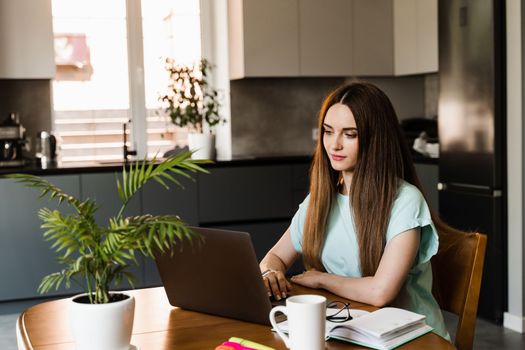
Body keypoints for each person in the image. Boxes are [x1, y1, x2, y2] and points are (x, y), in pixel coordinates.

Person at [259, 82, 450, 340]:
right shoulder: (320, 199)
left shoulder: (405, 201)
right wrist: (270, 273)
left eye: (350, 134)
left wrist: (322, 279)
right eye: (328, 131)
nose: (334, 145)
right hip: (349, 330)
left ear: (376, 140)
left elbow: (380, 292)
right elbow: (275, 257)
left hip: (410, 340)